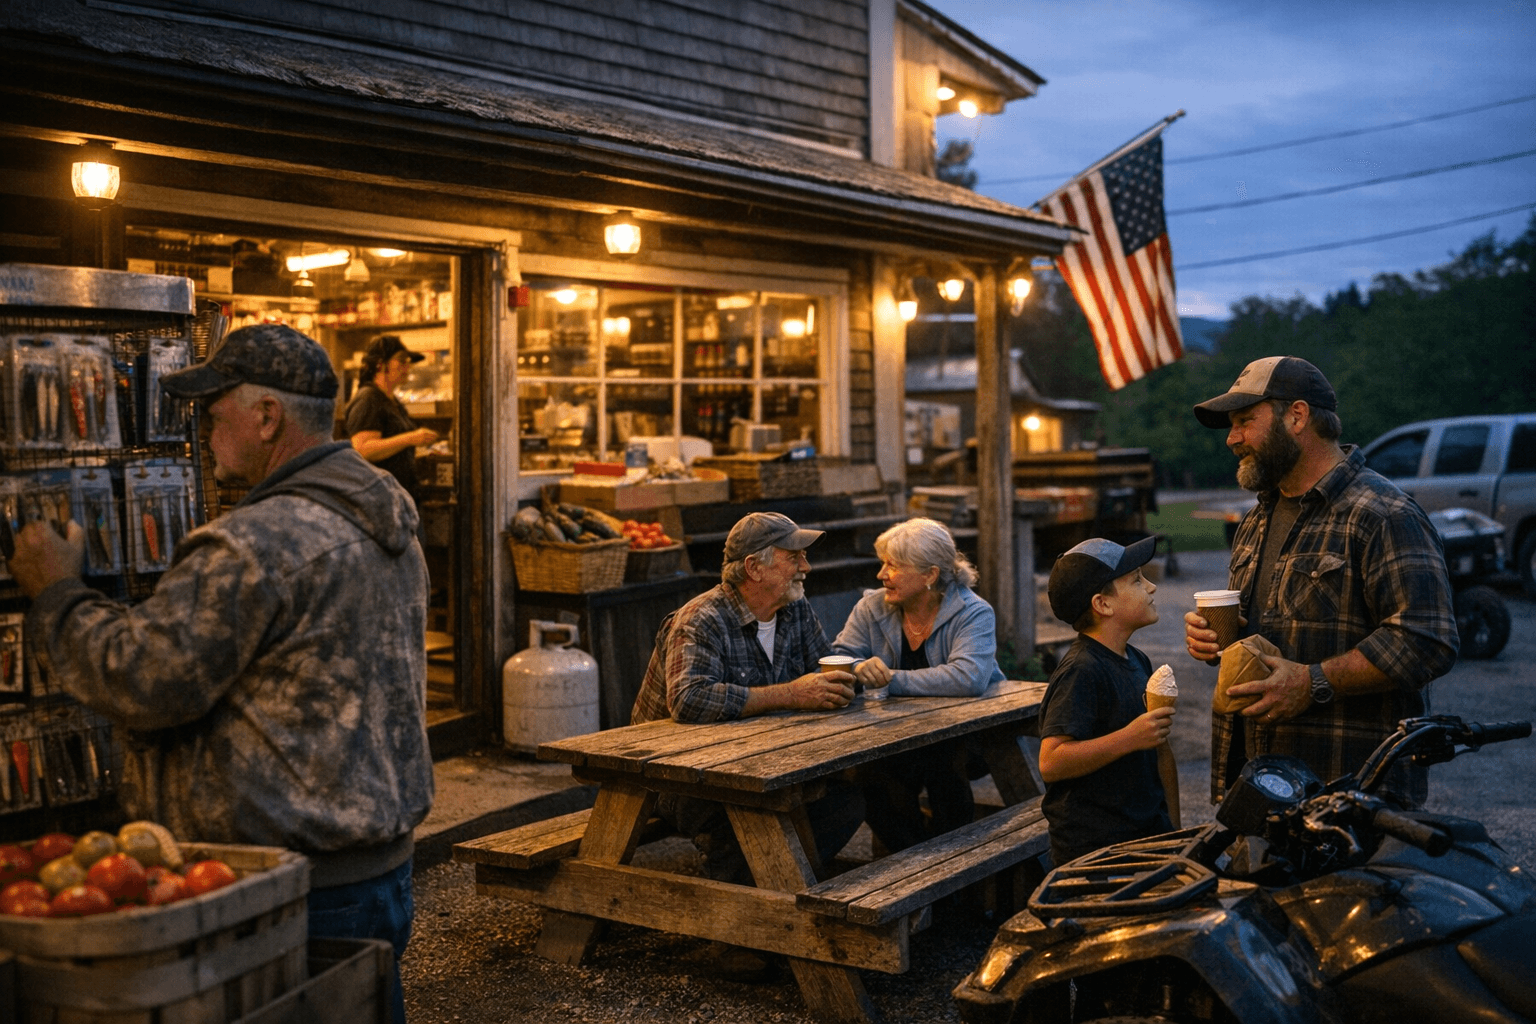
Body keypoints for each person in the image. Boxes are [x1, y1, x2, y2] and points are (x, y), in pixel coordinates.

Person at [11, 324, 432, 1024]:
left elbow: (142, 681)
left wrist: (57, 590)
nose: (203, 428)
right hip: (372, 869)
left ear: (267, 416)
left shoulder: (259, 541)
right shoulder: (380, 512)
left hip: (286, 885)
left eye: (215, 409)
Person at [1184, 356, 1458, 808]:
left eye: (1245, 421)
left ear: (1297, 416)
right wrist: (1216, 641)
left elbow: (1428, 640)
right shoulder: (1257, 518)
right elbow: (1271, 636)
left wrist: (1312, 681)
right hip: (1260, 792)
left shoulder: (1384, 514)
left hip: (1351, 798)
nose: (1232, 439)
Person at [629, 512, 864, 976]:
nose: (806, 567)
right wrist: (790, 694)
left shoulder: (794, 609)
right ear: (754, 568)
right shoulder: (701, 619)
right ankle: (735, 936)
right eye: (793, 557)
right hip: (673, 773)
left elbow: (820, 667)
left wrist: (853, 674)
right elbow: (689, 700)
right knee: (744, 819)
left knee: (847, 801)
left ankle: (779, 908)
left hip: (759, 764)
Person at [830, 517, 1003, 852]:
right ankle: (919, 860)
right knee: (866, 777)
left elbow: (968, 677)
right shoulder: (871, 607)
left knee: (945, 766)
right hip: (895, 736)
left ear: (930, 575)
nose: (881, 575)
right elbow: (839, 657)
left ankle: (951, 869)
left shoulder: (973, 612)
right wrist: (858, 667)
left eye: (892, 566)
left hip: (964, 735)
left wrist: (890, 679)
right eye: (882, 564)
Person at [1037, 537, 1179, 868]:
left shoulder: (1137, 659)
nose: (1152, 587)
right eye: (1137, 580)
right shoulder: (1081, 671)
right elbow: (1051, 761)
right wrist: (1128, 739)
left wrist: (1175, 833)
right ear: (1102, 604)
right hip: (1095, 854)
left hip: (1145, 837)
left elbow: (1160, 753)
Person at [345, 334, 438, 505]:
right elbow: (362, 449)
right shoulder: (369, 398)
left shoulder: (392, 400)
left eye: (408, 362)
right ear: (380, 364)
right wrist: (411, 438)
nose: (407, 367)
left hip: (400, 498)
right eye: (402, 361)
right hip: (382, 502)